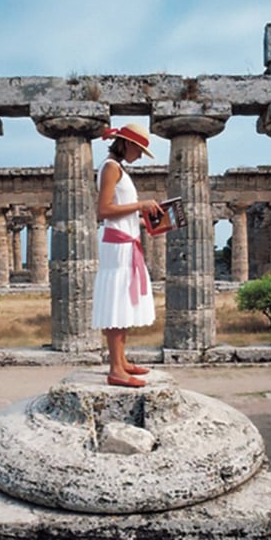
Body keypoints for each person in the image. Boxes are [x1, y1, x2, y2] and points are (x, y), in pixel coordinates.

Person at [91, 123, 163, 388]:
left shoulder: (119, 169)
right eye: (140, 149)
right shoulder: (110, 167)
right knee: (117, 303)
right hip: (118, 246)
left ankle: (121, 362)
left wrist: (148, 223)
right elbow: (104, 210)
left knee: (123, 304)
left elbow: (122, 212)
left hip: (125, 242)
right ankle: (116, 370)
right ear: (127, 144)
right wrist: (141, 205)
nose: (141, 155)